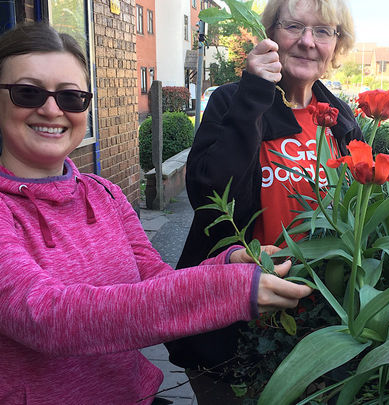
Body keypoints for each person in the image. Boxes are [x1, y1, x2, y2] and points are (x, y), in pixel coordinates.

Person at [0, 23, 312, 405]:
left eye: (71, 97)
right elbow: (45, 316)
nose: (51, 109)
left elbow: (155, 281)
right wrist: (229, 290)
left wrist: (225, 263)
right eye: (27, 93)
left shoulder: (105, 194)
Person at [165, 0, 361, 401]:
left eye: (323, 31)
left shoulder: (340, 119)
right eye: (293, 27)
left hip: (317, 323)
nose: (308, 42)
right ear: (270, 34)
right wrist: (255, 94)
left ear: (336, 46)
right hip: (233, 314)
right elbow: (207, 195)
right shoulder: (232, 102)